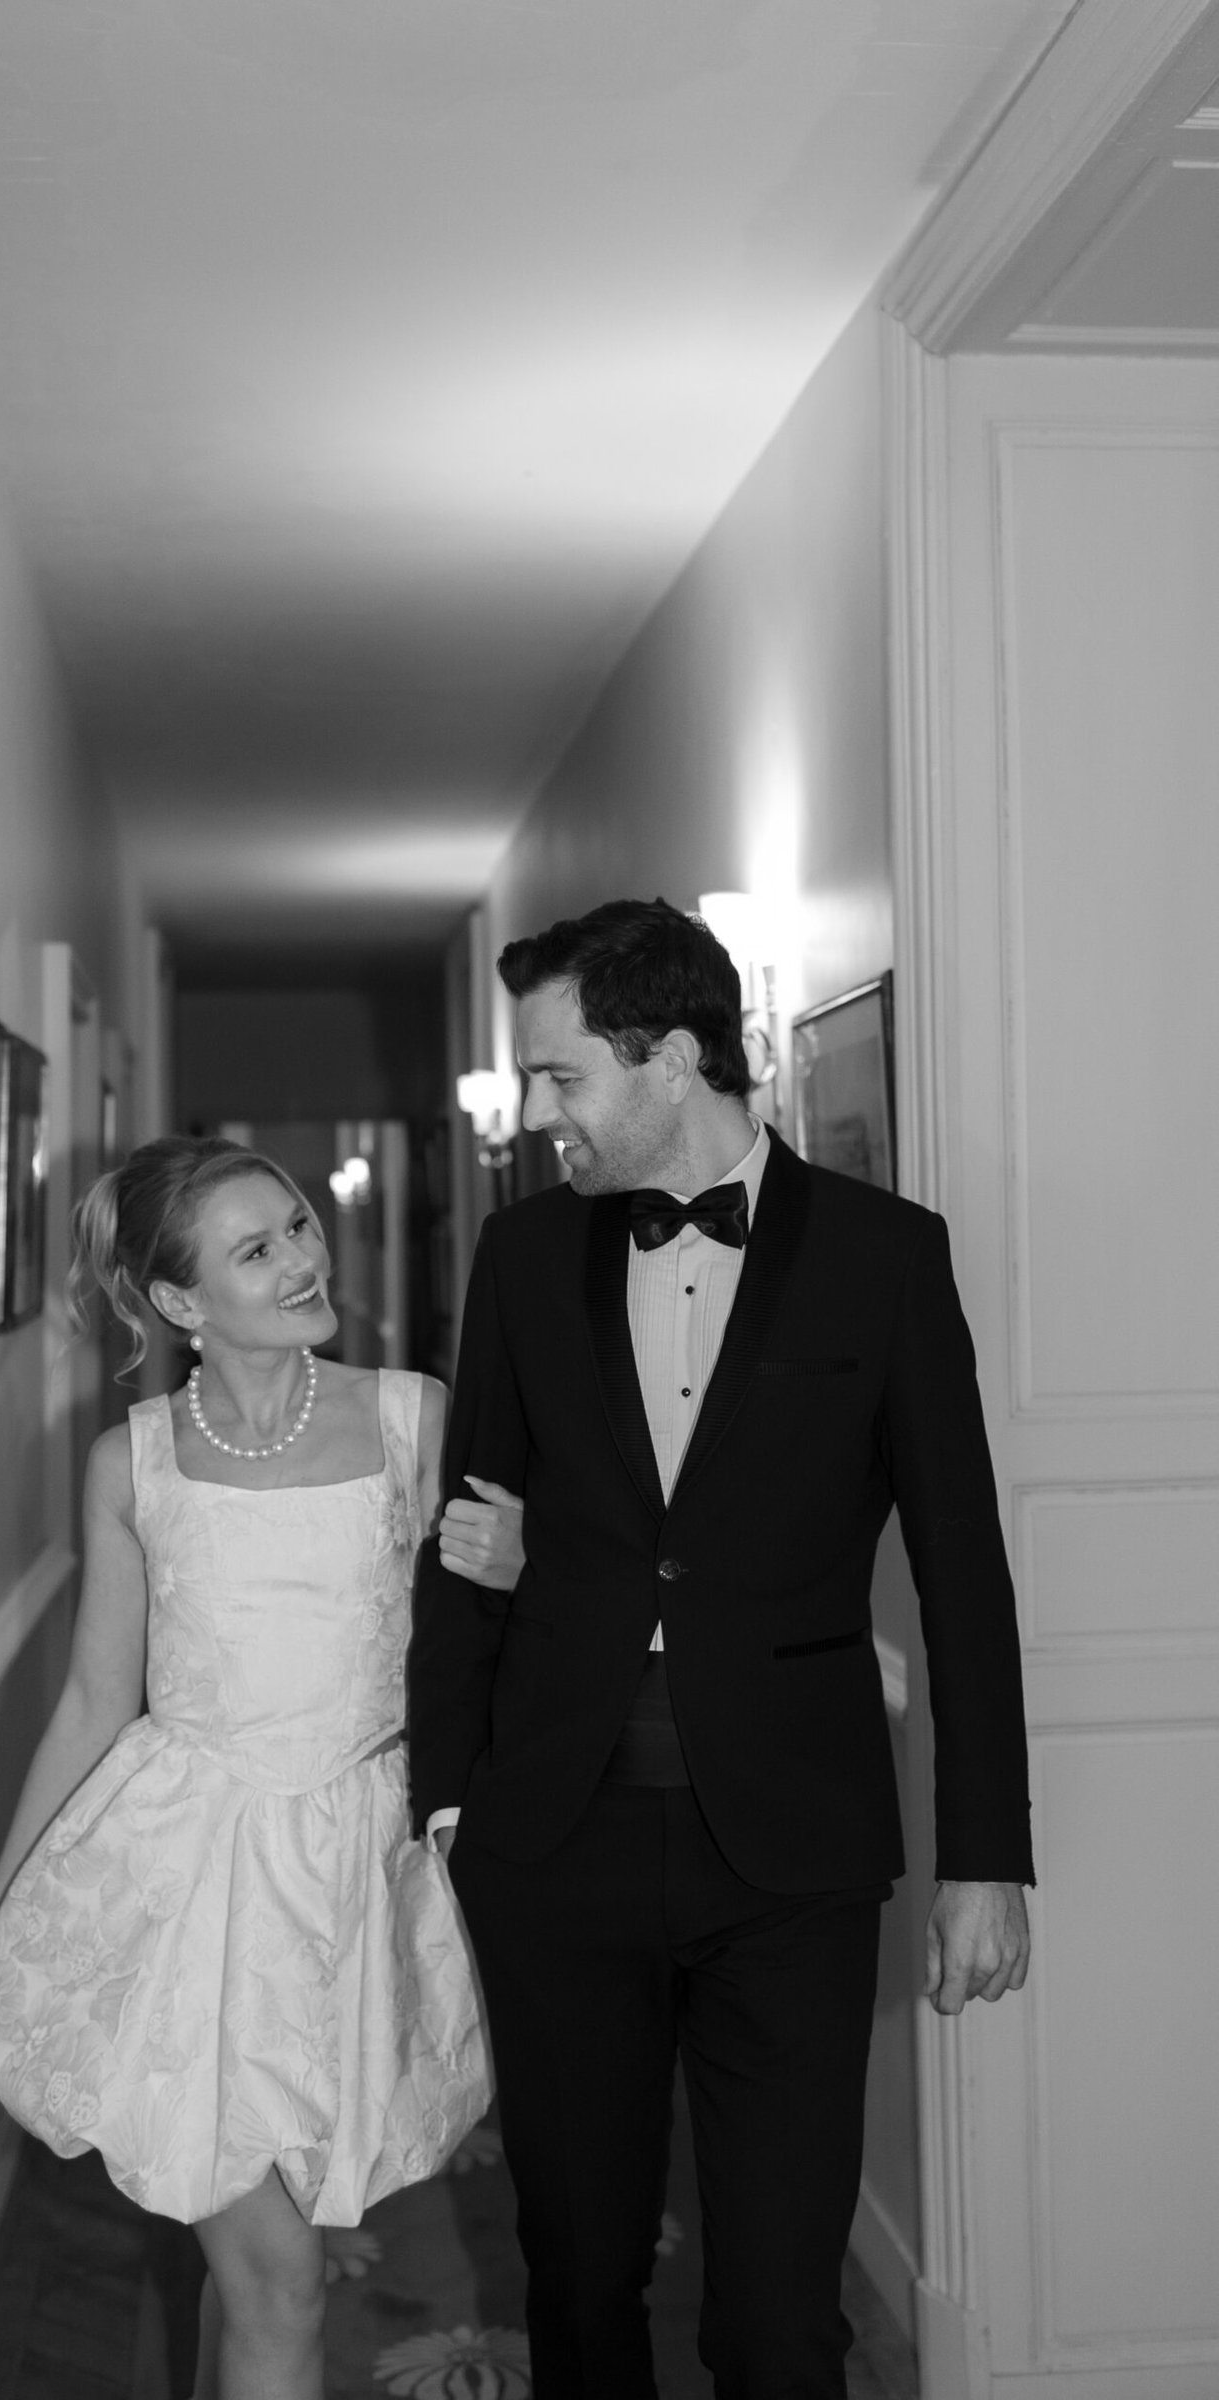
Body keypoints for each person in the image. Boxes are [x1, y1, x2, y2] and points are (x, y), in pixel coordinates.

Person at [410, 897, 1033, 2400]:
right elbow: (470, 1546)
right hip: (556, 1842)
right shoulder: (520, 1258)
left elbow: (964, 1571)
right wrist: (444, 1807)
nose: (538, 1114)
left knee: (772, 2319)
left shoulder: (887, 1259)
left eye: (562, 1078)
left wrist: (986, 1858)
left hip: (795, 1862)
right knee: (577, 2282)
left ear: (673, 1059)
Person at [0, 1136, 510, 2400]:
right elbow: (95, 1699)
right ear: (182, 1304)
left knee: (266, 2281)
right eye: (259, 1249)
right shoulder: (129, 1462)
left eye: (298, 1225)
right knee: (276, 2280)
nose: (306, 1258)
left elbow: (494, 1649)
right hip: (191, 1889)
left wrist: (523, 1572)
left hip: (357, 1877)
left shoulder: (412, 1415)